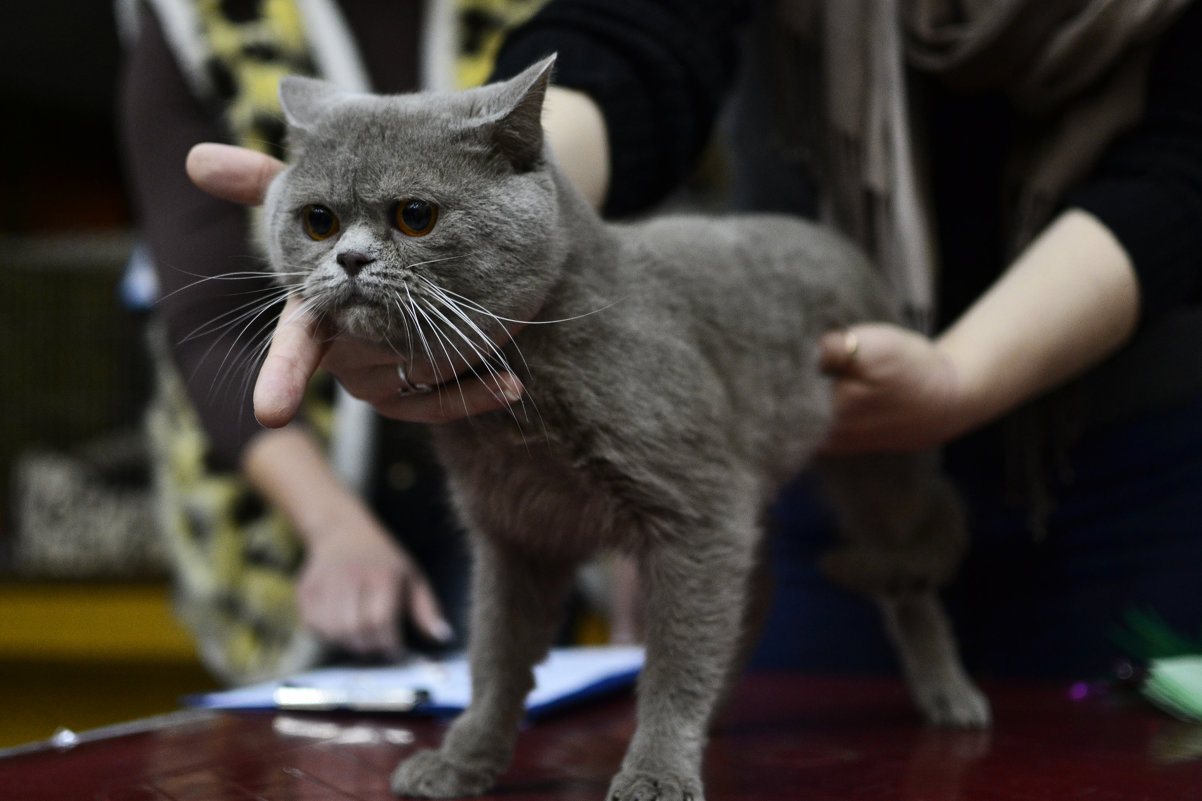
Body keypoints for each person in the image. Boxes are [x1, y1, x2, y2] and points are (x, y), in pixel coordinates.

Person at [188, 0, 1202, 678]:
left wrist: (967, 377)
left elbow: (1183, 162)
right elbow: (638, 33)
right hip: (794, 447)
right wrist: (480, 201)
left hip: (1137, 458)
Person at [119, 0, 548, 682]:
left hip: (515, 475)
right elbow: (210, 322)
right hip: (291, 489)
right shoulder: (196, 22)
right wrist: (332, 526)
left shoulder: (529, 15)